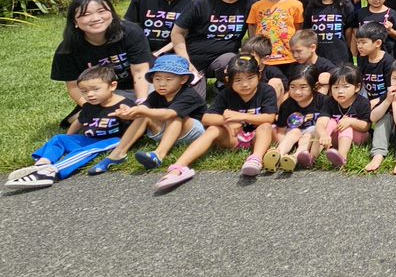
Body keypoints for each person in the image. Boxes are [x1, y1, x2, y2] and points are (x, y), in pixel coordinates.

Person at [151, 55, 277, 189]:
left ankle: (255, 159)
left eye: (250, 78)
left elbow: (269, 117)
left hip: (259, 137)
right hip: (234, 137)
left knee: (265, 126)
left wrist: (238, 116)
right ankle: (178, 168)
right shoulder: (226, 94)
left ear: (259, 75)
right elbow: (206, 118)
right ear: (228, 80)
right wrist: (226, 121)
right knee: (213, 129)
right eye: (238, 80)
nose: (245, 84)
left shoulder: (266, 90)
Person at [6, 67, 134, 189]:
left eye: (95, 89)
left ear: (112, 86)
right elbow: (78, 122)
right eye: (84, 91)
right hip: (89, 138)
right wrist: (69, 138)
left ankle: (52, 171)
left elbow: (137, 126)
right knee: (59, 139)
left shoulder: (125, 105)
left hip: (115, 141)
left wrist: (127, 116)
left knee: (85, 151)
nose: (89, 94)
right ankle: (42, 163)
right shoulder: (90, 105)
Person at [88, 54, 207, 175]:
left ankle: (159, 155)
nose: (162, 83)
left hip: (193, 133)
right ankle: (117, 154)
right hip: (166, 131)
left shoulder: (189, 95)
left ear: (183, 79)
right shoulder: (155, 95)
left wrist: (143, 111)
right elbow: (142, 109)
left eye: (168, 79)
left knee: (175, 117)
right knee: (144, 115)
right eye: (157, 79)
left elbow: (168, 114)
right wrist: (128, 113)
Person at [52, 0, 151, 109]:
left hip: (142, 85)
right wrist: (91, 110)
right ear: (75, 22)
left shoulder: (130, 32)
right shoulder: (67, 49)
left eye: (101, 11)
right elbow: (74, 86)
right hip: (103, 94)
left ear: (112, 14)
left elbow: (140, 73)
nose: (96, 18)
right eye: (86, 14)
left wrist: (141, 103)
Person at [262, 64, 331, 173]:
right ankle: (278, 153)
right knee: (294, 131)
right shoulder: (287, 105)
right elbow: (281, 131)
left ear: (314, 86)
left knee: (309, 134)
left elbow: (325, 124)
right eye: (293, 87)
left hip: (313, 136)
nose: (297, 92)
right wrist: (283, 142)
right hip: (292, 135)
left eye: (303, 87)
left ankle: (296, 156)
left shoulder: (323, 101)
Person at [246, 0, 305, 69]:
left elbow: (298, 27)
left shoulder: (296, 5)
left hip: (288, 55)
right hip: (264, 55)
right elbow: (252, 26)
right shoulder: (256, 6)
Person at [302, 0, 357, 64]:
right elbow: (307, 31)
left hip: (340, 57)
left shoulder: (346, 5)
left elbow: (349, 33)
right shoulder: (312, 7)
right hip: (317, 58)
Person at [324, 64, 372, 169]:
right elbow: (322, 120)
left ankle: (342, 157)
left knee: (347, 126)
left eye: (345, 86)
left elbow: (366, 126)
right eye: (335, 87)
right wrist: (323, 135)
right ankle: (314, 154)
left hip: (358, 136)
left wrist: (351, 122)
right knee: (330, 122)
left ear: (357, 87)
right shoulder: (329, 102)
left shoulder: (362, 102)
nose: (340, 91)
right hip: (336, 137)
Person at [355, 22, 394, 109]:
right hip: (367, 98)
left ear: (377, 43)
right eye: (357, 43)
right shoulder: (362, 58)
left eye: (363, 42)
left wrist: (378, 100)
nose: (359, 46)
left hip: (386, 101)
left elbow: (391, 89)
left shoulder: (388, 62)